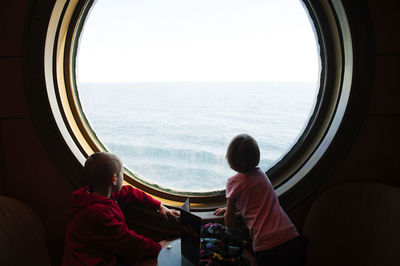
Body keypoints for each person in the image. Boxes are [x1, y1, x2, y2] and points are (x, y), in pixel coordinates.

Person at [62, 152, 180, 266]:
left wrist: (158, 205)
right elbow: (128, 241)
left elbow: (128, 192)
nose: (123, 178)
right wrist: (158, 247)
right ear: (114, 179)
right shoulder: (98, 213)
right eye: (122, 174)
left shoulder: (90, 194)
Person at [214, 134, 307, 266]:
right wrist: (237, 206)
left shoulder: (233, 182)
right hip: (290, 236)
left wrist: (231, 236)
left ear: (231, 159)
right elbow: (257, 200)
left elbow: (229, 217)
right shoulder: (261, 174)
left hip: (266, 245)